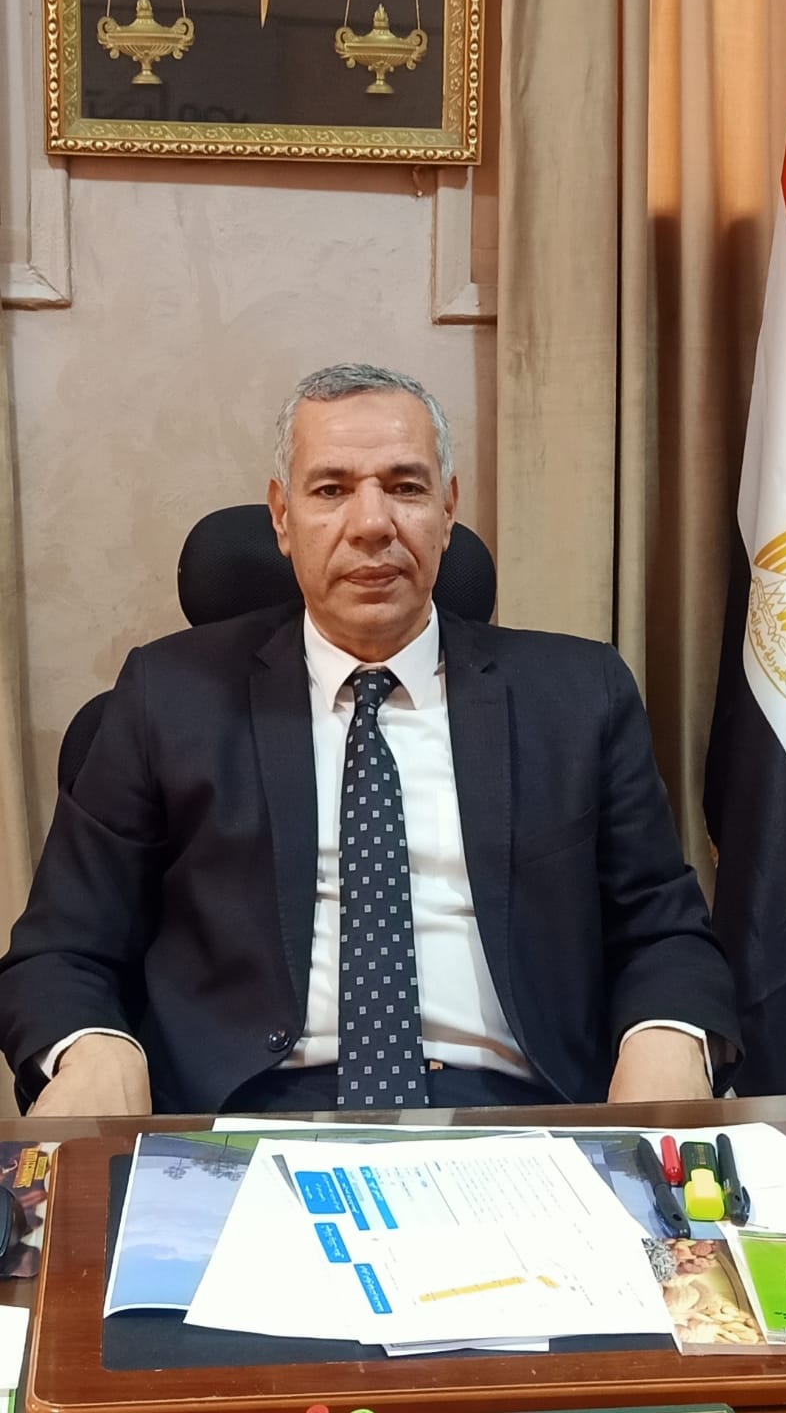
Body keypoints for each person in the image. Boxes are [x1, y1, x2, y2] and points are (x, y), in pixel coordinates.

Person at [0, 364, 739, 1115]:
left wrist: (666, 1039)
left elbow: (664, 933)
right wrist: (97, 1051)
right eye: (331, 490)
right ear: (282, 518)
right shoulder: (169, 696)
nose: (372, 524)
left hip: (516, 1117)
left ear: (447, 511)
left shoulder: (578, 695)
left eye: (406, 487)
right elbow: (62, 950)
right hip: (237, 1119)